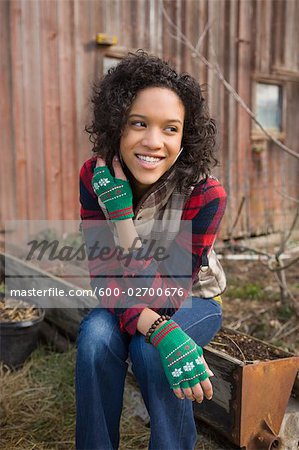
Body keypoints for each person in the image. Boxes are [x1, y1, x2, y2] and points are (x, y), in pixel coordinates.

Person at [76, 50, 227, 450]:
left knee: (149, 352)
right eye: (139, 123)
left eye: (170, 128)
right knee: (94, 337)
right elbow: (102, 276)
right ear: (117, 125)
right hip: (124, 294)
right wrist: (121, 217)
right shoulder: (95, 177)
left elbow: (168, 295)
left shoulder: (205, 193)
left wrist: (158, 330)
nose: (153, 141)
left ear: (185, 136)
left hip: (191, 298)